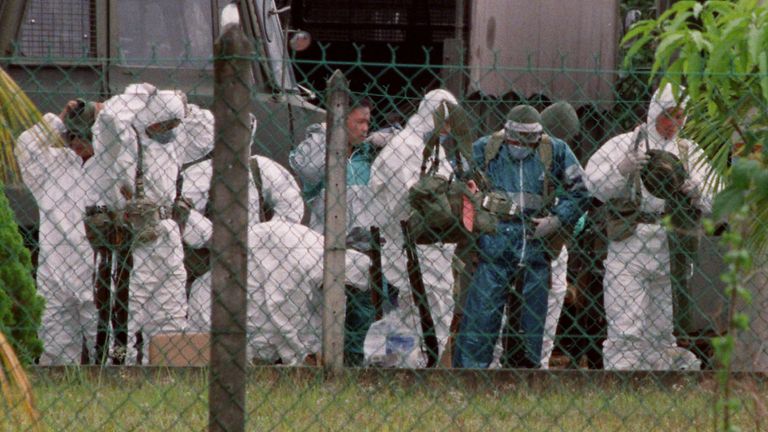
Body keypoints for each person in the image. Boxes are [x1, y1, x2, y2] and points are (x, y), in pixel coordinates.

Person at [585, 84, 714, 370]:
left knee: (661, 327)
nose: (675, 124)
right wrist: (621, 170)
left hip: (672, 243)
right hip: (629, 238)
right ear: (655, 112)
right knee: (625, 324)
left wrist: (697, 191)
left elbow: (716, 199)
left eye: (681, 116)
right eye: (669, 116)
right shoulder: (625, 144)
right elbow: (592, 185)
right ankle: (622, 381)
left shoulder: (690, 151)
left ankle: (657, 387)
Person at [453, 104, 589, 369]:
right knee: (481, 317)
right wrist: (474, 210)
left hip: (536, 245)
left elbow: (581, 191)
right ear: (506, 132)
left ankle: (524, 378)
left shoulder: (556, 150)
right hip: (494, 242)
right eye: (518, 139)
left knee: (531, 326)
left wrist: (557, 219)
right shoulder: (485, 148)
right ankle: (470, 377)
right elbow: (456, 180)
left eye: (530, 140)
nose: (523, 146)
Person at [90, 88, 189, 364]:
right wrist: (137, 95)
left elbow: (206, 128)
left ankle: (168, 369)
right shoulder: (122, 143)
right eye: (162, 123)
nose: (166, 129)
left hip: (167, 237)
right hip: (133, 241)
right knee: (126, 311)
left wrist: (179, 101)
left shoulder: (174, 144)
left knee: (171, 311)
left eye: (173, 124)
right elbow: (110, 117)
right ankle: (118, 370)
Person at [290, 96, 390, 366]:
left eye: (368, 122)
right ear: (340, 121)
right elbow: (306, 168)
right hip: (324, 247)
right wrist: (328, 133)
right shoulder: (319, 152)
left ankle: (356, 366)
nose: (366, 128)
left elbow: (405, 143)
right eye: (360, 121)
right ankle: (322, 363)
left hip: (363, 249)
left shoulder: (367, 156)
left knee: (362, 312)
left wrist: (388, 138)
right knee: (322, 312)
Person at [187, 220, 371, 365]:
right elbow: (284, 313)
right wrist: (301, 356)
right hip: (225, 294)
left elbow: (325, 315)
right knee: (263, 331)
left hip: (249, 277)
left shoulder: (321, 257)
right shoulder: (304, 264)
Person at [368, 89, 461, 367]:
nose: (448, 129)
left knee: (414, 313)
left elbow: (442, 184)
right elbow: (406, 199)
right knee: (430, 311)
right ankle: (417, 367)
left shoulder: (431, 149)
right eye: (444, 122)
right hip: (412, 244)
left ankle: (404, 366)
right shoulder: (403, 148)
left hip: (427, 245)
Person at [14, 99, 104, 365]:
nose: (77, 143)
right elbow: (25, 147)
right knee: (55, 353)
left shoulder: (111, 166)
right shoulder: (52, 165)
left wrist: (106, 114)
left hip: (97, 274)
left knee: (105, 351)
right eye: (72, 135)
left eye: (84, 136)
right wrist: (61, 118)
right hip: (55, 274)